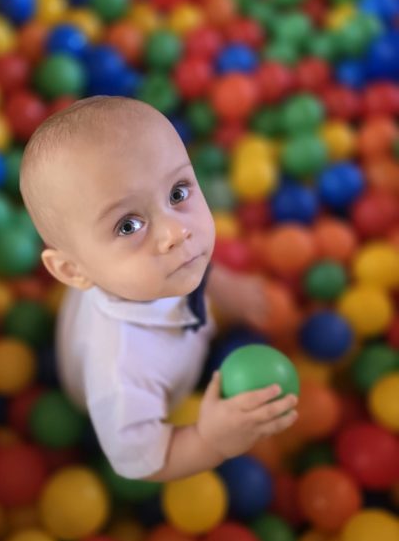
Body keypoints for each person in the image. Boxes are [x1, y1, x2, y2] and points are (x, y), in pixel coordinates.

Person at [20, 96, 298, 481]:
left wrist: (222, 284)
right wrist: (211, 439)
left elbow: (191, 265)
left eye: (178, 193)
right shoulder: (120, 375)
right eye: (128, 226)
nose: (176, 232)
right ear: (73, 270)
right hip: (144, 405)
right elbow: (144, 463)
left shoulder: (156, 268)